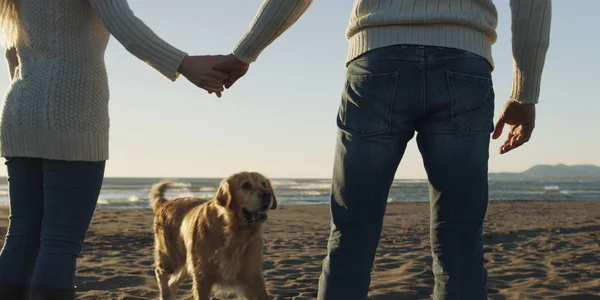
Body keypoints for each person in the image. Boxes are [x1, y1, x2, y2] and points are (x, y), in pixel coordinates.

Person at [212, 0, 552, 299]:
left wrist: (245, 53)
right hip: (464, 65)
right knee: (461, 236)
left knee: (352, 232)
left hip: (378, 60)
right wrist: (525, 90)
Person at [0, 1, 228, 299]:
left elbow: (11, 51)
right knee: (59, 243)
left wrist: (32, 100)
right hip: (72, 114)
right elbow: (123, 24)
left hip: (20, 109)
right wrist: (183, 64)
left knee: (21, 235)